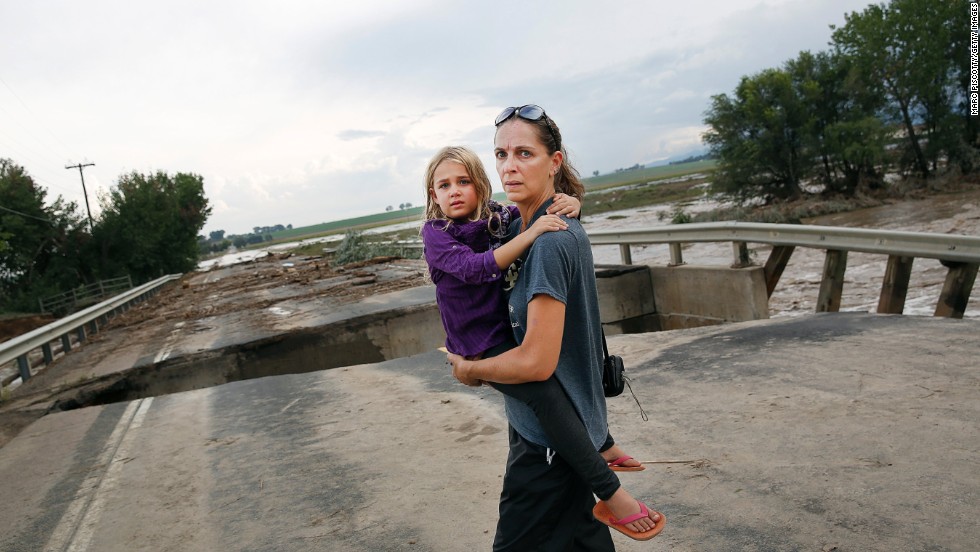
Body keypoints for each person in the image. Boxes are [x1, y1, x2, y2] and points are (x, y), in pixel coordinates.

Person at [447, 105, 665, 549]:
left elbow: (536, 363)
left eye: (525, 153)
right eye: (501, 155)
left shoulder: (549, 242)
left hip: (549, 446)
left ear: (555, 162)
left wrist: (470, 371)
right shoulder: (522, 230)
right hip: (549, 431)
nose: (509, 166)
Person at [421, 145, 644, 481]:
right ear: (433, 195)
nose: (454, 191)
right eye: (444, 185)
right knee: (544, 396)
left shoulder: (496, 218)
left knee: (558, 377)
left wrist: (573, 205)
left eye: (463, 181)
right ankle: (608, 487)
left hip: (503, 327)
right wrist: (532, 233)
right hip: (478, 340)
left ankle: (603, 441)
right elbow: (475, 268)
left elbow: (536, 216)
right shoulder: (436, 233)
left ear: (480, 186)